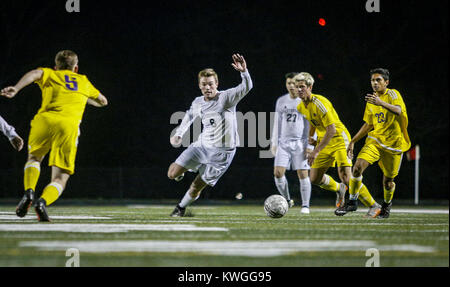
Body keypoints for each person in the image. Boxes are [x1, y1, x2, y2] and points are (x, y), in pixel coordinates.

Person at [1, 50, 108, 222]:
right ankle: (42, 202)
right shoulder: (84, 81)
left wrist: (17, 88)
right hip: (68, 126)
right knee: (60, 177)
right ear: (76, 68)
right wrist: (83, 97)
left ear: (56, 66)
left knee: (34, 159)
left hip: (44, 121)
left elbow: (35, 74)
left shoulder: (50, 74)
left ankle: (29, 191)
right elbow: (103, 101)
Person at [167, 54, 253, 217]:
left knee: (196, 186)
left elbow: (246, 87)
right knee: (172, 173)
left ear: (217, 84)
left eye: (210, 84)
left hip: (222, 153)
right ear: (199, 86)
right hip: (202, 146)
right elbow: (189, 115)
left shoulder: (226, 98)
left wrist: (244, 72)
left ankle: (180, 208)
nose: (208, 87)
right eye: (204, 84)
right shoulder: (198, 101)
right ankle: (184, 172)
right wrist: (179, 133)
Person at [294, 72, 379, 215]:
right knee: (315, 178)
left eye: (302, 86)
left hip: (340, 139)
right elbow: (312, 120)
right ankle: (339, 189)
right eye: (297, 87)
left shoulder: (320, 103)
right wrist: (311, 137)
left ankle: (374, 205)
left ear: (310, 87)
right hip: (324, 141)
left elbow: (332, 130)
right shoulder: (301, 106)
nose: (299, 90)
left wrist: (315, 151)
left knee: (346, 177)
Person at [335, 68, 410, 218]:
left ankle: (386, 205)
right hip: (375, 140)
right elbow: (369, 124)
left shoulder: (392, 94)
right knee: (356, 168)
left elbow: (398, 111)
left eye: (378, 80)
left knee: (388, 182)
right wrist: (353, 141)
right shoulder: (372, 100)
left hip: (393, 144)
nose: (374, 83)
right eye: (372, 80)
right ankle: (352, 202)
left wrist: (380, 102)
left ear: (386, 82)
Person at [270, 72, 314, 214]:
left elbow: (310, 124)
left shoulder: (305, 101)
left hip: (300, 143)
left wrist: (309, 145)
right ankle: (287, 200)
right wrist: (273, 142)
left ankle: (305, 206)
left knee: (303, 174)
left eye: (293, 84)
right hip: (283, 143)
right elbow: (277, 122)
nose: (291, 86)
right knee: (278, 173)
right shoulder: (281, 101)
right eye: (288, 83)